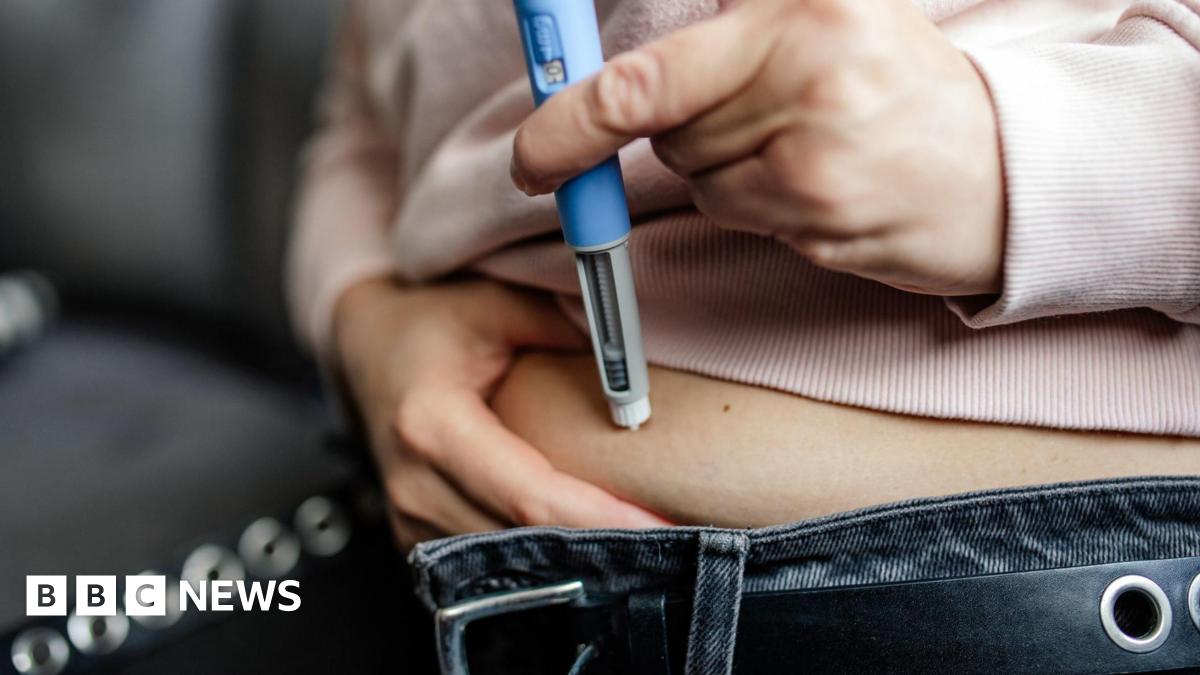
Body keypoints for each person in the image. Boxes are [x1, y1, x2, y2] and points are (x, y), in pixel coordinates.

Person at [287, 0, 1200, 550]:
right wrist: (367, 316)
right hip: (462, 558)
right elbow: (362, 118)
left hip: (1015, 582)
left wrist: (1017, 158)